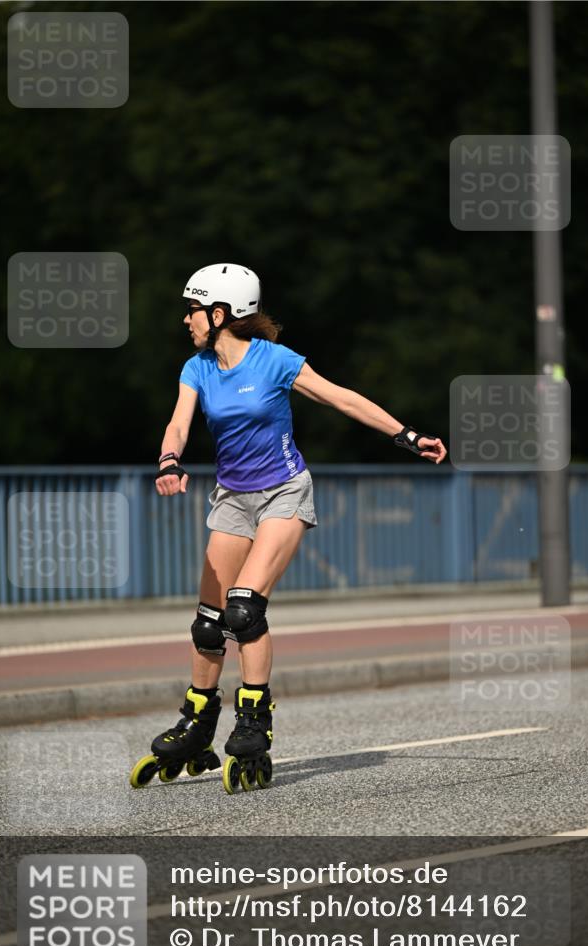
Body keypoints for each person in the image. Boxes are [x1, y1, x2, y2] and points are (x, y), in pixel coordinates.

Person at [130, 263, 447, 794]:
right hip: (232, 498)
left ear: (220, 312)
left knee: (243, 609)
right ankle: (198, 724)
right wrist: (168, 460)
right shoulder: (196, 369)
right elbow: (179, 422)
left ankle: (253, 722)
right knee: (209, 624)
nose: (185, 319)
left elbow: (340, 397)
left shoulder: (274, 361)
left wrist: (407, 435)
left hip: (283, 492)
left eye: (192, 308)